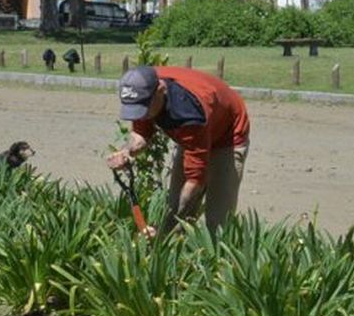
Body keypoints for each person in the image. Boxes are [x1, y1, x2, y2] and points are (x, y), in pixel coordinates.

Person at [106, 65, 250, 234]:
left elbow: (195, 181)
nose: (141, 115)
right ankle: (175, 249)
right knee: (175, 203)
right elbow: (141, 134)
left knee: (218, 219)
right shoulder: (143, 88)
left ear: (160, 90)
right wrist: (126, 152)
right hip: (195, 131)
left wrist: (166, 228)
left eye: (143, 108)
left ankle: (216, 252)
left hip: (227, 135)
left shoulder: (189, 114)